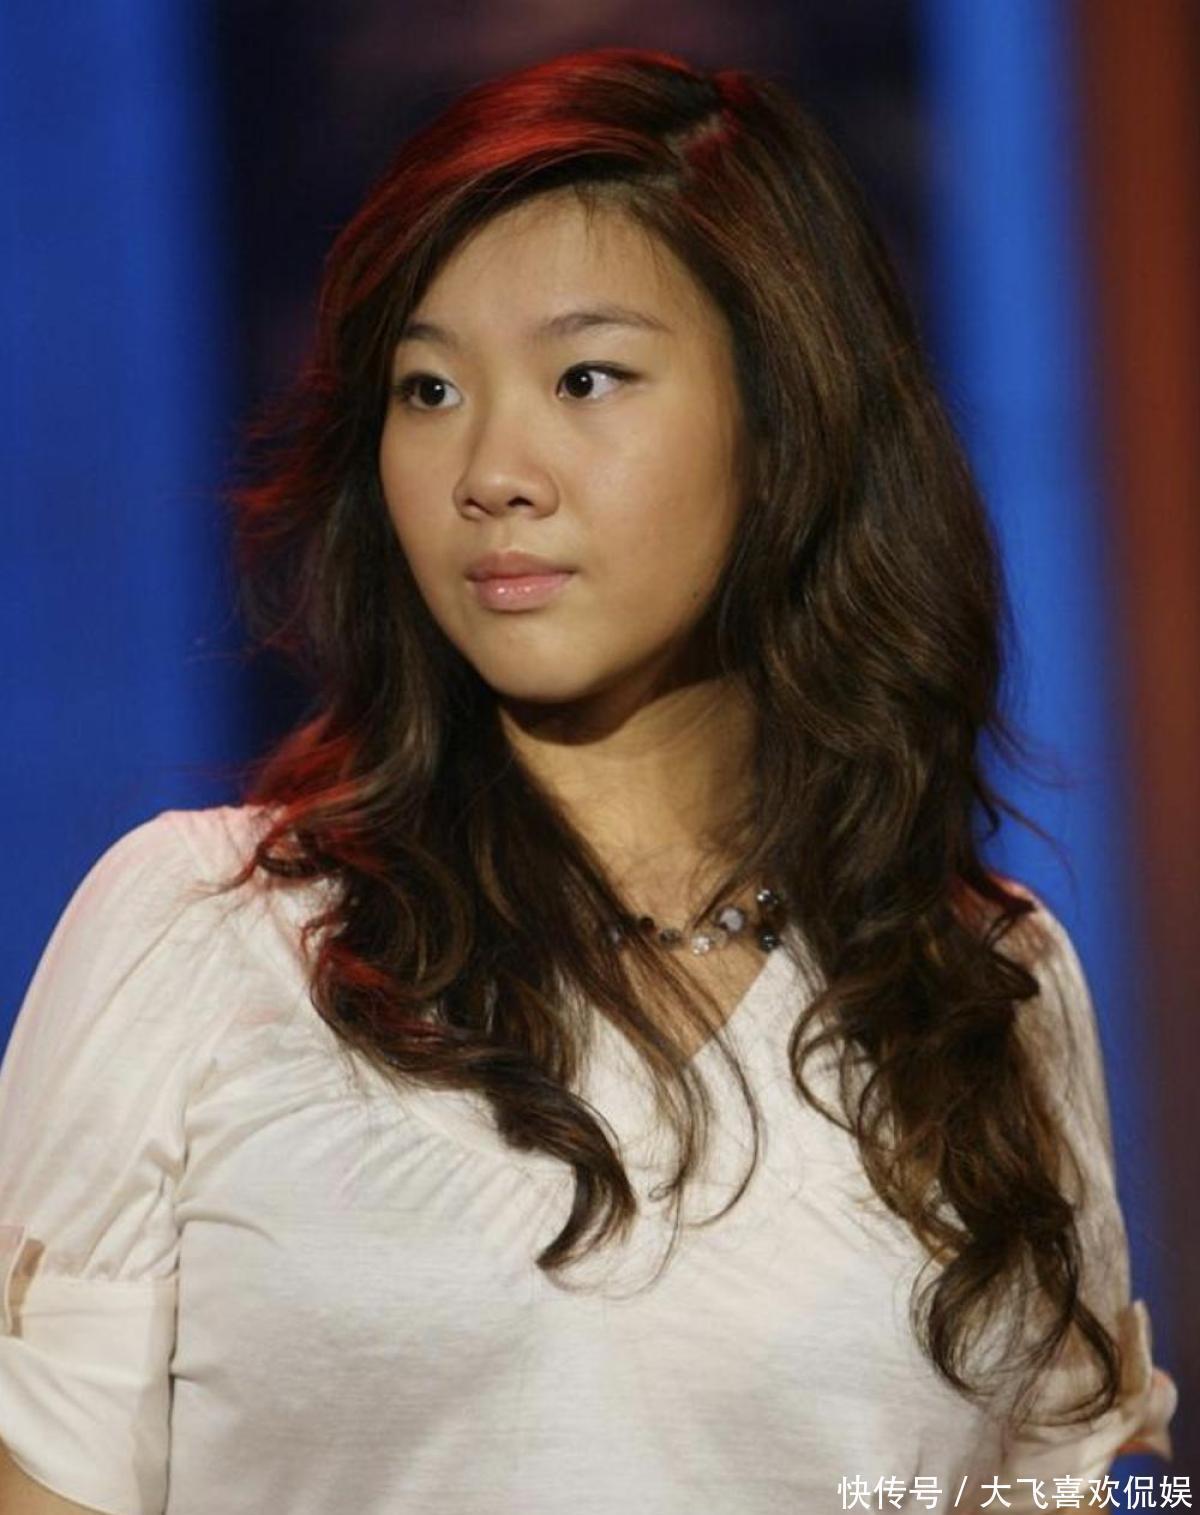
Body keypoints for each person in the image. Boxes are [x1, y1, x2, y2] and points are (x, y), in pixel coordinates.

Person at [0, 44, 1177, 1515]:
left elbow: (1091, 1482)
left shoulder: (981, 982)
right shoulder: (209, 932)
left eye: (585, 378)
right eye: (429, 388)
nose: (492, 469)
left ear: (787, 423)